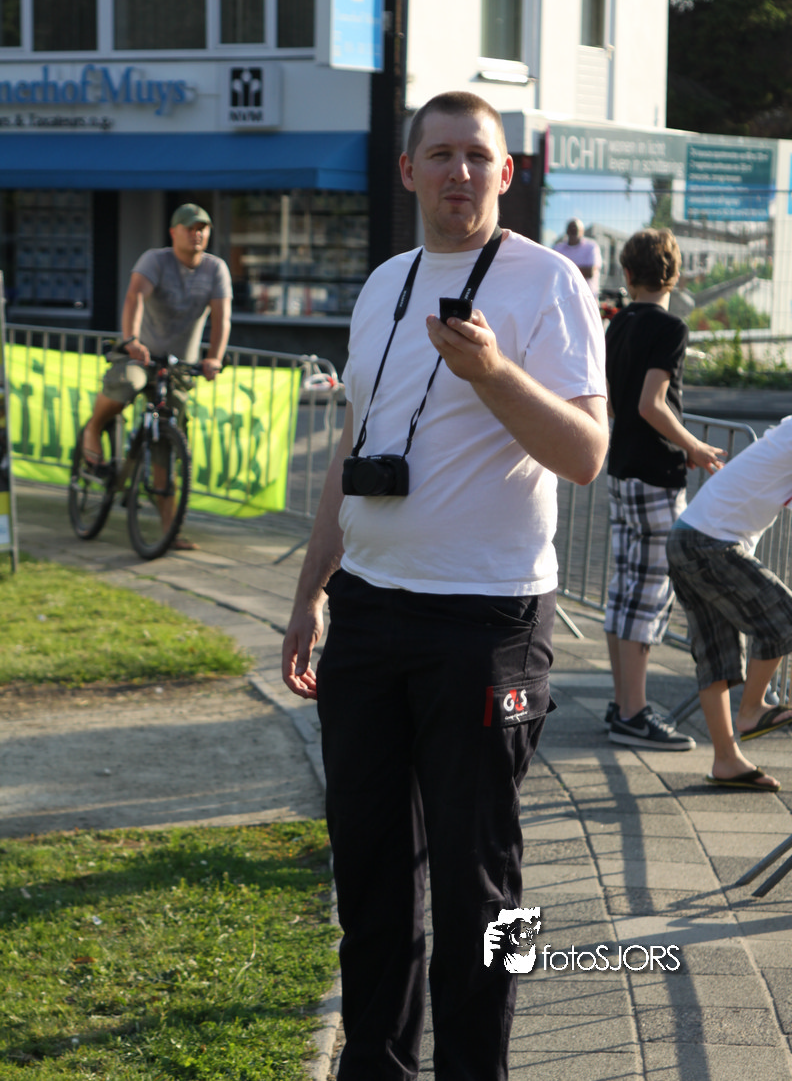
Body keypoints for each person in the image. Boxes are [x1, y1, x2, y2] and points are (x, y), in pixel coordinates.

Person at [281, 91, 609, 1081]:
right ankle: (375, 1063)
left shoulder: (548, 283)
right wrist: (310, 592)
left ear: (506, 173)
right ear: (408, 171)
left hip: (490, 621)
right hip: (370, 613)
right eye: (441, 154)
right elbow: (353, 452)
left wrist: (495, 373)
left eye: (478, 155)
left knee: (484, 880)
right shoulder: (384, 283)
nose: (459, 172)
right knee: (371, 866)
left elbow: (587, 455)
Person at [604, 228, 725, 749]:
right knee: (648, 596)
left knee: (624, 590)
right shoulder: (671, 327)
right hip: (656, 473)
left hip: (621, 468)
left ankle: (622, 706)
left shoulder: (618, 323)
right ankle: (634, 714)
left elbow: (614, 404)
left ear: (628, 274)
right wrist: (694, 446)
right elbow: (653, 404)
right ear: (673, 275)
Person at [81, 203, 231, 550]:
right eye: (190, 228)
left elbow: (222, 318)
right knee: (129, 384)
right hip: (140, 354)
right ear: (173, 232)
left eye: (203, 228)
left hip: (179, 366)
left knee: (167, 441)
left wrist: (214, 357)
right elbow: (134, 296)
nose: (197, 234)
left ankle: (169, 532)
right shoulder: (155, 260)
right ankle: (93, 428)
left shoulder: (215, 269)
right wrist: (131, 340)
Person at [667, 418, 792, 791]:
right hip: (710, 543)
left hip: (688, 539)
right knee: (784, 619)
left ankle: (726, 760)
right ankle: (751, 710)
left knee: (716, 655)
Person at [554, 217, 603, 294]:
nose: (573, 229)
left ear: (582, 231)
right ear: (567, 231)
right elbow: (553, 270)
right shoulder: (558, 248)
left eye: (575, 228)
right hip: (564, 297)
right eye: (571, 228)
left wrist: (563, 270)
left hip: (586, 297)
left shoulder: (591, 246)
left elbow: (590, 272)